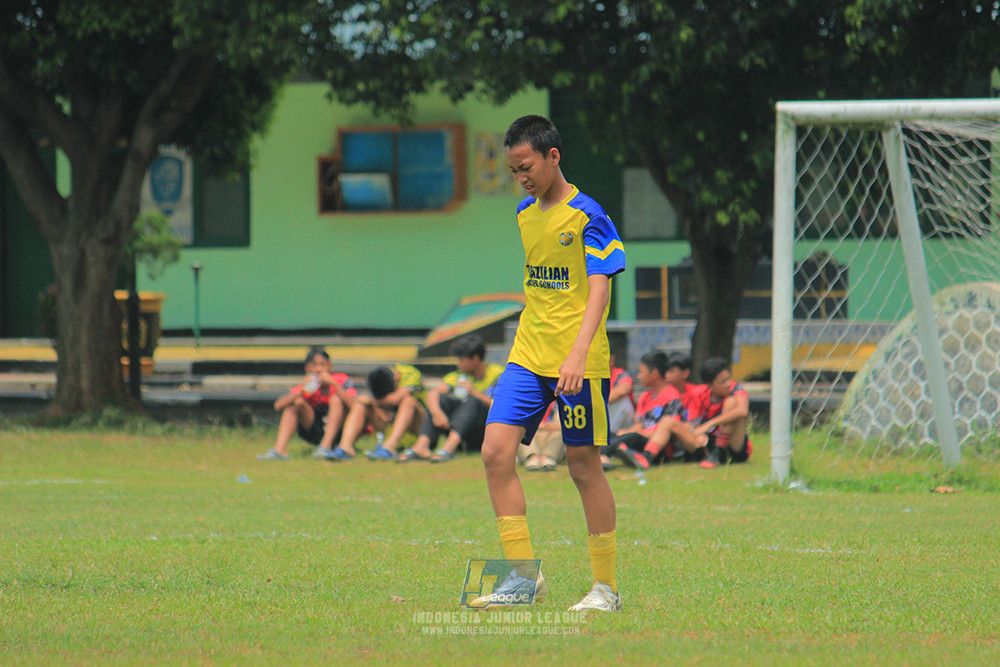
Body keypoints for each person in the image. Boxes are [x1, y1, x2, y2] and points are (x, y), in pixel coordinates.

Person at [468, 115, 626, 613]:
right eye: (515, 170)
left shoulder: (589, 216)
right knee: (495, 453)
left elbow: (600, 288)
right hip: (528, 356)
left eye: (527, 166)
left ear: (553, 156)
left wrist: (577, 353)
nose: (522, 177)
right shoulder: (523, 213)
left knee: (582, 467)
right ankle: (522, 579)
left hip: (580, 359)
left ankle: (606, 589)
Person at [397, 335, 504, 463]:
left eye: (461, 360)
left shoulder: (498, 374)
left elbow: (502, 407)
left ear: (475, 359)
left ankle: (447, 449)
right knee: (440, 399)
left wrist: (474, 393)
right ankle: (421, 447)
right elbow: (433, 393)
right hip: (459, 428)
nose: (459, 365)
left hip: (485, 432)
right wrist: (437, 413)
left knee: (474, 401)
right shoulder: (458, 377)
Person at [601, 351, 704, 470]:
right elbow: (638, 425)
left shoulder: (672, 396)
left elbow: (669, 431)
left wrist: (637, 433)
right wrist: (626, 432)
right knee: (613, 434)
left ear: (654, 374)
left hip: (661, 449)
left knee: (632, 437)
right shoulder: (644, 397)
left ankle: (603, 455)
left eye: (642, 372)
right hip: (640, 438)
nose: (639, 376)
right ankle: (607, 455)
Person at [257, 347, 357, 461]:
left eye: (323, 364)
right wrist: (300, 392)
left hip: (340, 429)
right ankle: (280, 450)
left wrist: (333, 384)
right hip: (313, 428)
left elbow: (354, 406)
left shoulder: (340, 379)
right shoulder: (308, 386)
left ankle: (326, 446)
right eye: (314, 365)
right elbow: (278, 406)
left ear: (330, 367)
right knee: (296, 403)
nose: (319, 369)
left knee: (336, 399)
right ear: (307, 369)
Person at [326, 363, 425, 461]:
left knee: (408, 401)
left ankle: (389, 447)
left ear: (396, 379)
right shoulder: (378, 378)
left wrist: (371, 401)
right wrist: (364, 401)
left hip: (418, 427)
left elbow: (395, 399)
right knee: (361, 405)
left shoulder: (410, 373)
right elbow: (359, 402)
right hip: (388, 424)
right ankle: (345, 448)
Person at [689, 357, 752, 468]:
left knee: (731, 403)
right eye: (723, 381)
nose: (728, 384)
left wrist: (710, 424)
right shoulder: (699, 394)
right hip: (709, 442)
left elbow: (742, 411)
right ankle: (714, 454)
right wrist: (700, 433)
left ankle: (718, 452)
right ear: (710, 386)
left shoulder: (736, 388)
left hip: (735, 447)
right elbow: (692, 425)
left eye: (729, 378)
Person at [517, 402, 564, 472]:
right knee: (520, 424)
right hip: (533, 438)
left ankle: (548, 457)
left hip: (552, 438)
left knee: (563, 417)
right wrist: (537, 425)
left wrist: (556, 426)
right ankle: (532, 457)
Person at [607, 351, 636, 433]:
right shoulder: (593, 378)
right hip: (606, 418)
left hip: (625, 422)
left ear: (611, 359)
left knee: (622, 400)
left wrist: (598, 401)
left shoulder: (621, 374)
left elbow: (624, 390)